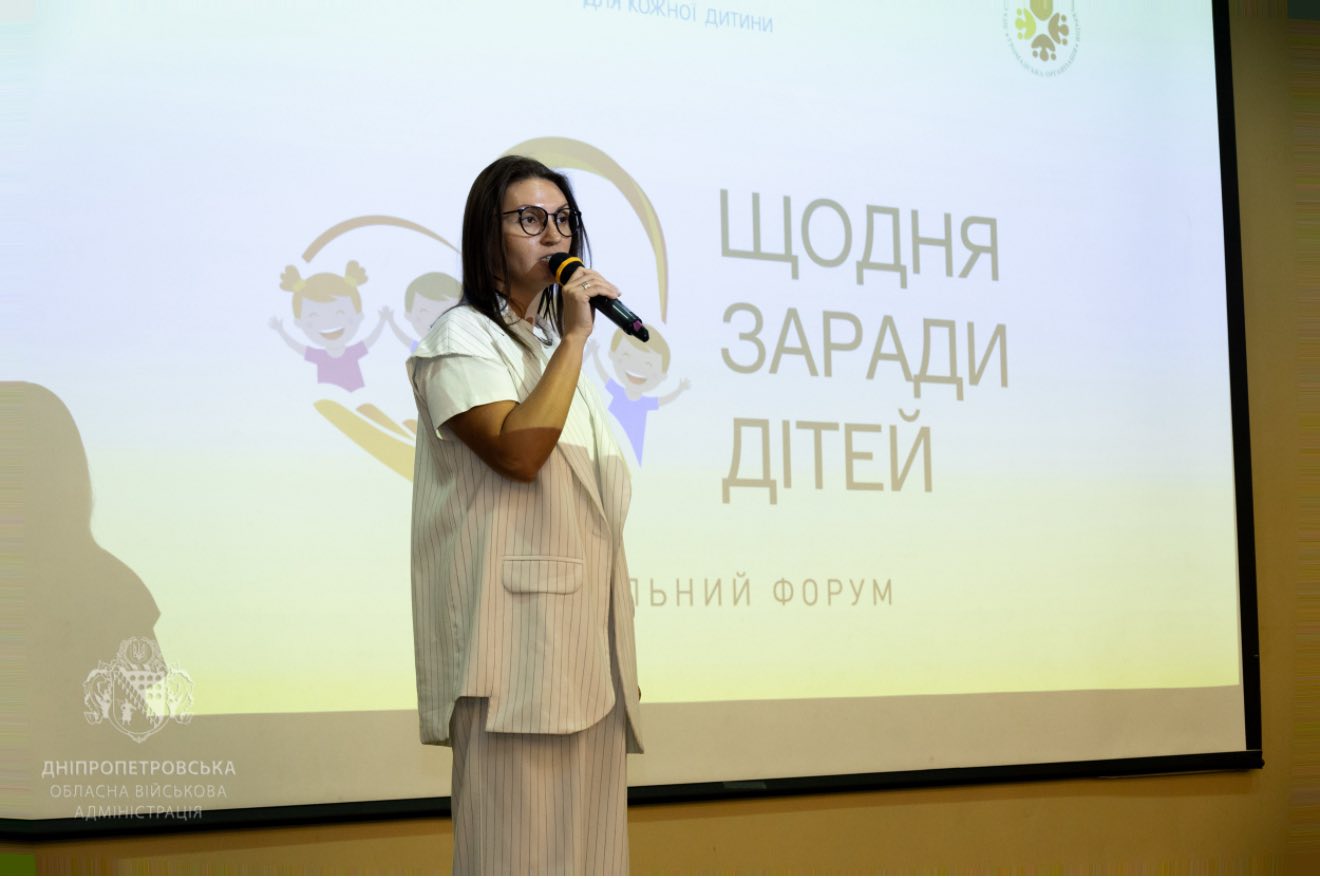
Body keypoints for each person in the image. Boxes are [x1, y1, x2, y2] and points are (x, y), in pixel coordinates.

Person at [406, 155, 644, 875]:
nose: (554, 235)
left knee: (593, 862)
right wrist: (575, 339)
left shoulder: (549, 352)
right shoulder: (461, 340)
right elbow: (519, 454)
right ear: (489, 234)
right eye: (531, 219)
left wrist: (564, 344)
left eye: (564, 220)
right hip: (514, 659)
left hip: (587, 658)